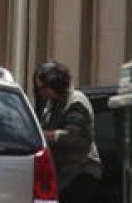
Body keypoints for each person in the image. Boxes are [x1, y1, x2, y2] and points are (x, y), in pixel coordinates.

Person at [34, 61, 101, 203]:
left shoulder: (76, 102)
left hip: (81, 173)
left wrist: (47, 136)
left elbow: (74, 136)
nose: (42, 93)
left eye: (43, 88)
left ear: (55, 85)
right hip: (64, 175)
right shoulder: (52, 103)